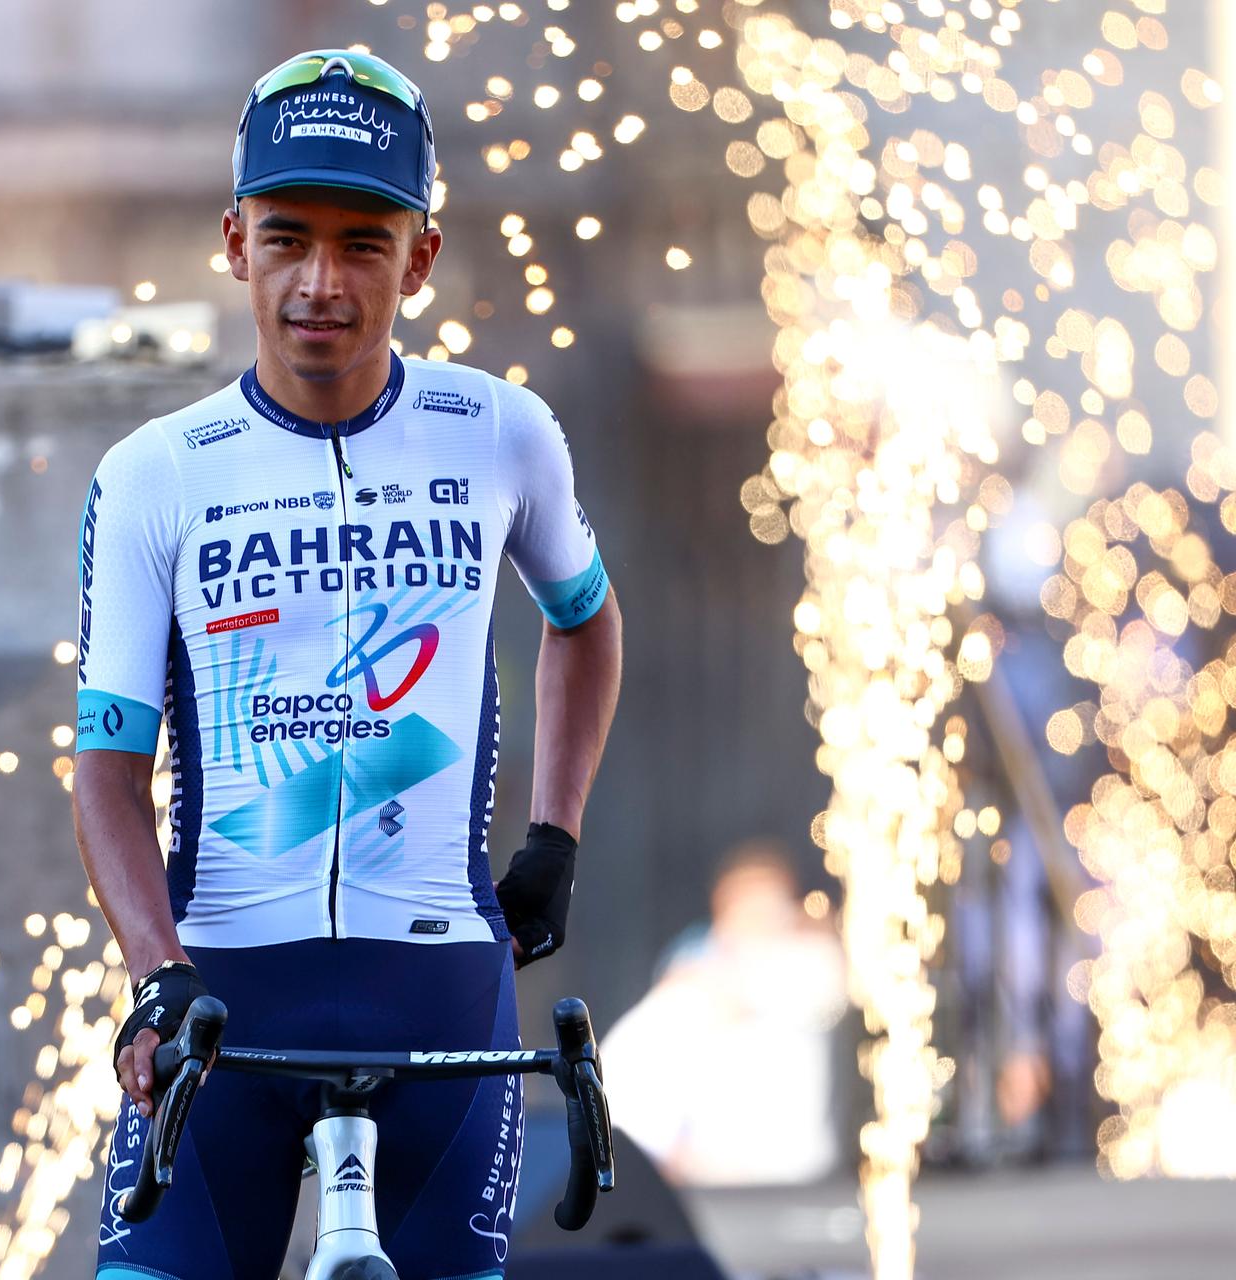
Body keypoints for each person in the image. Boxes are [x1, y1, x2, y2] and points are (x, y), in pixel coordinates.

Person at [73, 49, 623, 1280]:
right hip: (222, 996)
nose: (320, 281)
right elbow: (106, 770)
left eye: (363, 244)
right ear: (235, 243)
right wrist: (156, 972)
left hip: (438, 990)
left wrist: (555, 834)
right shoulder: (154, 473)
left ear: (420, 258)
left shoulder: (503, 433)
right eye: (287, 238)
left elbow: (585, 618)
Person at [599, 841, 847, 1186]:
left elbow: (824, 979)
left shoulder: (817, 969)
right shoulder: (684, 994)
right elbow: (618, 1083)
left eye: (774, 912)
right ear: (724, 918)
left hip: (807, 1184)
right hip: (715, 1188)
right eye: (752, 913)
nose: (765, 926)